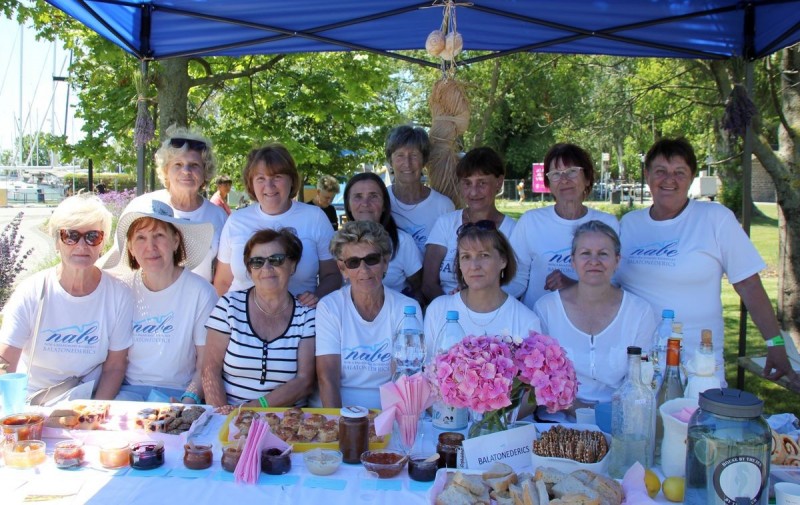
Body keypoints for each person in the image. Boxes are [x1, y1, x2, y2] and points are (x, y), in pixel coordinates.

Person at [616, 137, 800, 386]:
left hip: (698, 365)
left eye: (679, 172)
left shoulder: (715, 218)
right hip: (639, 364)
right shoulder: (629, 224)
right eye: (660, 171)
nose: (669, 179)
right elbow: (609, 286)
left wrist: (775, 344)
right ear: (647, 175)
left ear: (691, 177)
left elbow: (749, 285)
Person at [0, 194, 132, 400]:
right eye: (70, 235)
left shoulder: (119, 294)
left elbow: (115, 366)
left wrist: (94, 412)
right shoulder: (31, 291)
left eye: (92, 236)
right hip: (35, 401)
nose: (81, 245)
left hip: (89, 400)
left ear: (103, 243)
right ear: (56, 242)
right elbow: (5, 361)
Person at [104, 198, 218, 403]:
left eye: (159, 235)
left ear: (175, 241)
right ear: (129, 246)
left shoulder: (201, 292)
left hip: (179, 393)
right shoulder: (121, 289)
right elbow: (114, 363)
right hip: (129, 394)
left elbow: (206, 363)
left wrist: (187, 401)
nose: (151, 247)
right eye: (140, 238)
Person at [534, 220, 656, 404]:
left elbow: (641, 380)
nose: (594, 261)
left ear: (617, 261)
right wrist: (578, 411)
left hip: (618, 416)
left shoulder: (639, 312)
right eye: (585, 254)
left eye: (603, 254)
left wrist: (605, 417)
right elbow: (540, 377)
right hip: (559, 418)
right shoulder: (547, 309)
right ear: (572, 261)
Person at [213, 143, 341, 307]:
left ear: (291, 179)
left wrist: (317, 297)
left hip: (300, 323)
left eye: (277, 177)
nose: (269, 186)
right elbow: (223, 282)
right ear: (251, 183)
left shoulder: (315, 217)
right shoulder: (236, 221)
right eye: (261, 178)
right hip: (241, 325)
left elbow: (332, 274)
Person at [203, 228, 316, 408]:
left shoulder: (306, 314)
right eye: (257, 262)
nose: (266, 268)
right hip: (229, 420)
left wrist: (252, 409)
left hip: (287, 423)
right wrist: (221, 419)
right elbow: (210, 370)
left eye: (276, 260)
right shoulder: (228, 306)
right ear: (249, 270)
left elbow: (304, 381)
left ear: (292, 265)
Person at [315, 221, 421, 409]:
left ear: (385, 262)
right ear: (343, 269)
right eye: (353, 262)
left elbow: (404, 378)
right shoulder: (330, 307)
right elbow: (327, 377)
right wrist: (341, 426)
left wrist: (393, 424)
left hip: (390, 410)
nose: (363, 270)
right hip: (341, 410)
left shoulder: (407, 309)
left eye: (371, 259)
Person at [101, 127, 227, 283]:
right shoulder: (143, 206)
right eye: (178, 164)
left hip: (198, 304)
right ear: (166, 170)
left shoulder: (218, 216)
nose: (186, 171)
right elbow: (119, 261)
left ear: (205, 172)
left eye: (194, 165)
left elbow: (223, 275)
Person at [508, 143, 618, 309]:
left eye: (572, 172)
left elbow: (615, 283)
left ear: (587, 178)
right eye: (556, 174)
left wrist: (573, 286)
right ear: (548, 183)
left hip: (591, 320)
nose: (564, 180)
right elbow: (516, 277)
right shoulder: (531, 221)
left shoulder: (608, 224)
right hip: (538, 324)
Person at [424, 221, 541, 345]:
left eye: (484, 255)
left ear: (503, 260)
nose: (474, 266)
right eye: (466, 257)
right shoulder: (437, 310)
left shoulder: (526, 320)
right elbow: (426, 363)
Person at [423, 147, 516, 301]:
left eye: (482, 183)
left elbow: (514, 284)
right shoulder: (446, 223)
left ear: (499, 182)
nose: (473, 192)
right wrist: (451, 307)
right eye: (467, 183)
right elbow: (428, 283)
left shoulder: (513, 230)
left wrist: (472, 303)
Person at [344, 172, 423, 299]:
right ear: (348, 204)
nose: (365, 203)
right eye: (358, 196)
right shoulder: (336, 243)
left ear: (384, 204)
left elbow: (419, 288)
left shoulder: (402, 242)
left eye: (373, 196)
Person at [385, 125, 454, 254]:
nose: (407, 163)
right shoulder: (381, 201)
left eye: (414, 155)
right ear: (390, 160)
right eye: (400, 155)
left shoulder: (443, 206)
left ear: (424, 160)